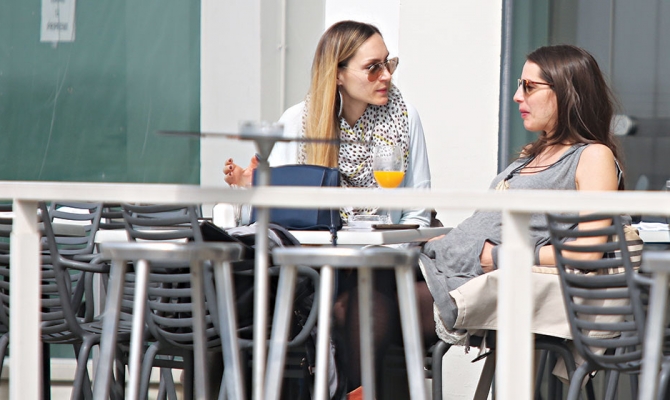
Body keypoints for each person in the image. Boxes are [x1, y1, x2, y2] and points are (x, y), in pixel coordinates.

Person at [223, 20, 433, 399]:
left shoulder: (405, 118)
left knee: (360, 298)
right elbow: (278, 214)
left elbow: (418, 211)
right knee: (340, 302)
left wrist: (385, 250)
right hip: (314, 266)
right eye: (373, 67)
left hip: (380, 262)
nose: (386, 75)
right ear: (338, 74)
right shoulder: (297, 123)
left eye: (388, 63)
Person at [418, 44, 625, 344]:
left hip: (470, 286)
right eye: (519, 85)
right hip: (442, 263)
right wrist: (451, 239)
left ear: (566, 93)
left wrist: (498, 256)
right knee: (355, 288)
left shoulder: (593, 156)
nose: (517, 96)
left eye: (529, 86)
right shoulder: (532, 154)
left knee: (368, 303)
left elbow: (587, 251)